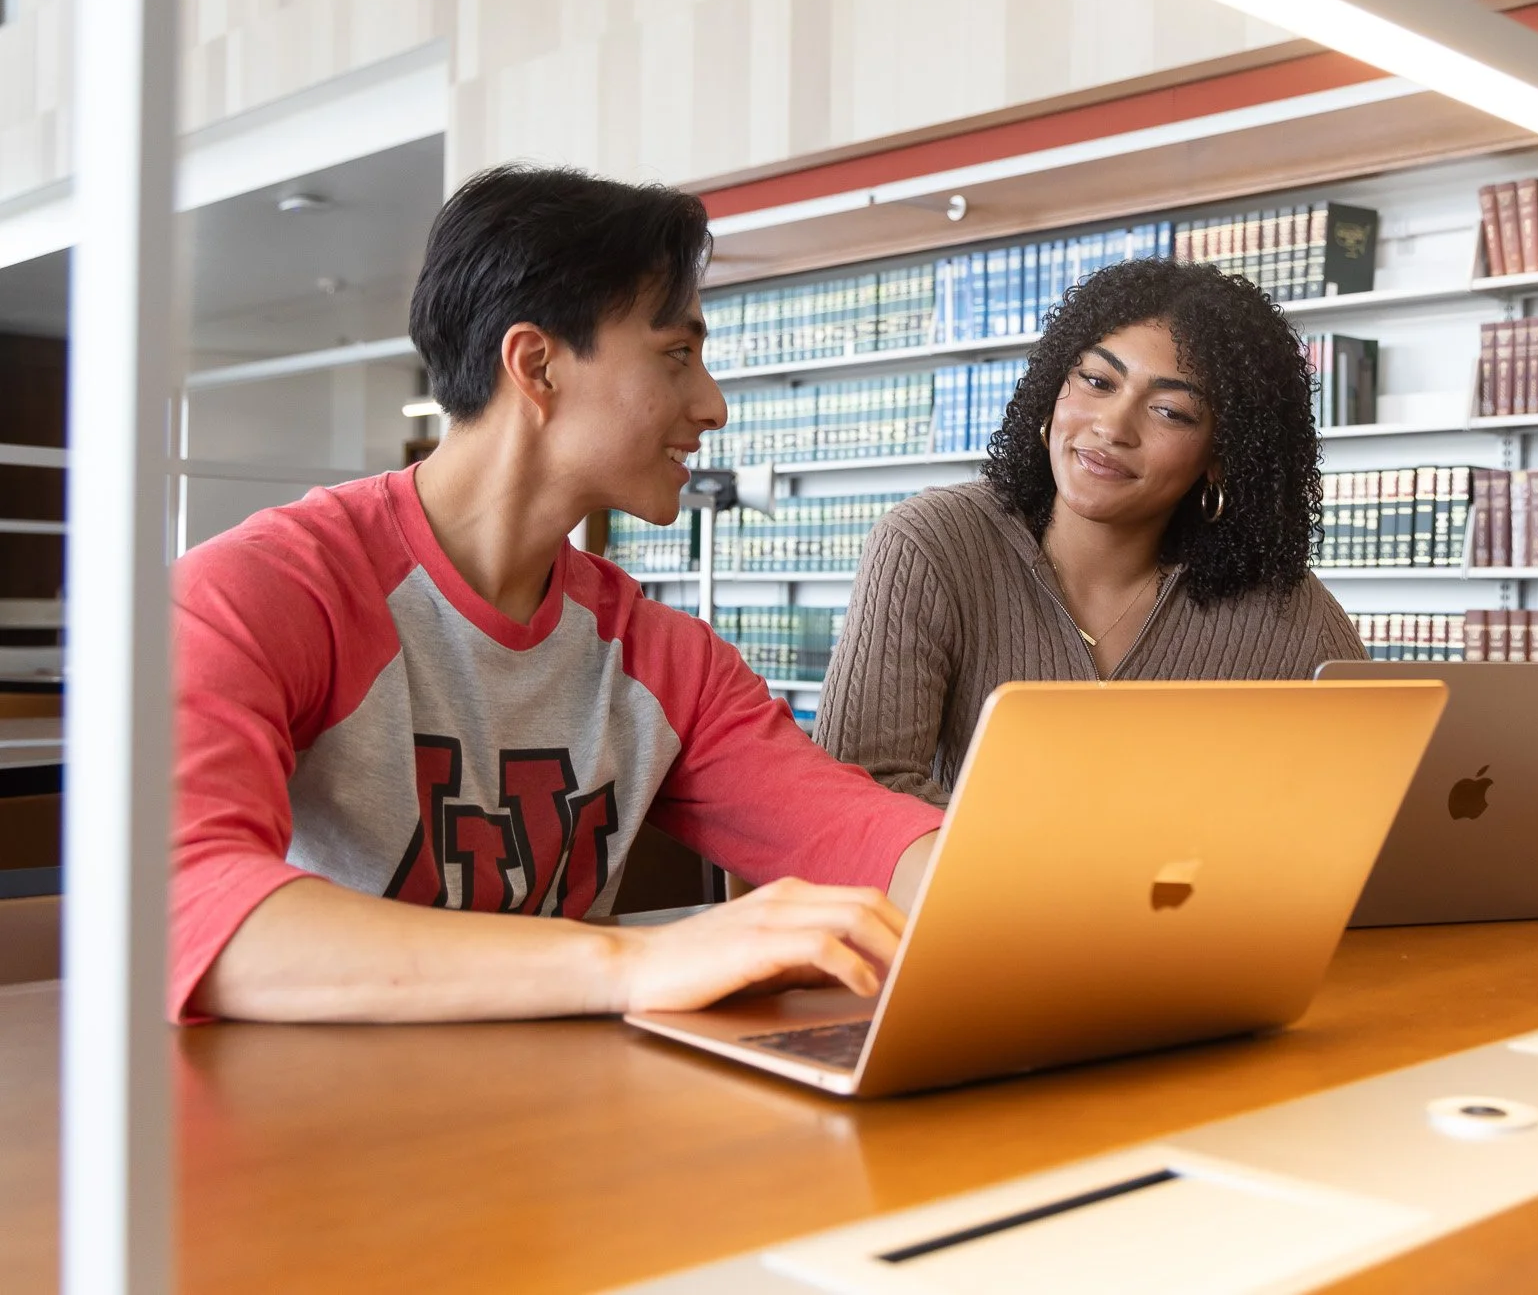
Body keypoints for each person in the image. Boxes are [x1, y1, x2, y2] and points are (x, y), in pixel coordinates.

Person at [170, 165, 941, 1024]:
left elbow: (867, 839)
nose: (714, 405)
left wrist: (1016, 882)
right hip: (308, 1131)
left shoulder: (665, 660)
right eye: (677, 355)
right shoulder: (259, 592)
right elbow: (181, 908)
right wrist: (633, 962)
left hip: (560, 1123)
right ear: (536, 365)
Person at [815, 259, 1366, 807]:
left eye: (1171, 412)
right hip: (963, 895)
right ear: (1056, 386)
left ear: (1222, 456)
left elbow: (1370, 805)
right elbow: (858, 793)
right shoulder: (930, 544)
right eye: (1098, 381)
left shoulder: (1286, 611)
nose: (1112, 427)